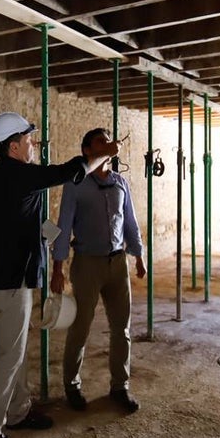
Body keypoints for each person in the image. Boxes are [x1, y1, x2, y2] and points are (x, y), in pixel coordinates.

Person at [0, 111, 120, 438]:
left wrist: (57, 242)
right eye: (28, 139)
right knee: (8, 357)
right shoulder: (17, 176)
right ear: (13, 146)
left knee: (15, 351)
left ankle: (19, 411)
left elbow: (26, 222)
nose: (33, 144)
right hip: (11, 283)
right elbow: (67, 171)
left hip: (1, 279)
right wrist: (103, 154)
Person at [50, 127, 146, 415]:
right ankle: (72, 385)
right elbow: (63, 224)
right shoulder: (76, 184)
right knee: (80, 326)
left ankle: (120, 387)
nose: (107, 143)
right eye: (100, 141)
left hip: (117, 264)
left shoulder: (120, 182)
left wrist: (138, 255)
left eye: (108, 139)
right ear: (87, 152)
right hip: (87, 263)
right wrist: (58, 267)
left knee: (122, 328)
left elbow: (129, 220)